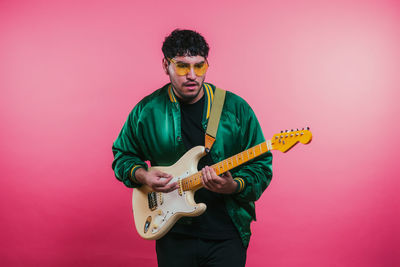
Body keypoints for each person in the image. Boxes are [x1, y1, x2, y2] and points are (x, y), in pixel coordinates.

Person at [112, 29, 273, 267]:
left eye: (199, 66)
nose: (192, 75)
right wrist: (143, 175)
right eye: (182, 66)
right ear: (165, 65)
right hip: (172, 232)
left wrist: (233, 185)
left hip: (226, 232)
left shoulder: (235, 109)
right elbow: (123, 156)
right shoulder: (147, 111)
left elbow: (261, 165)